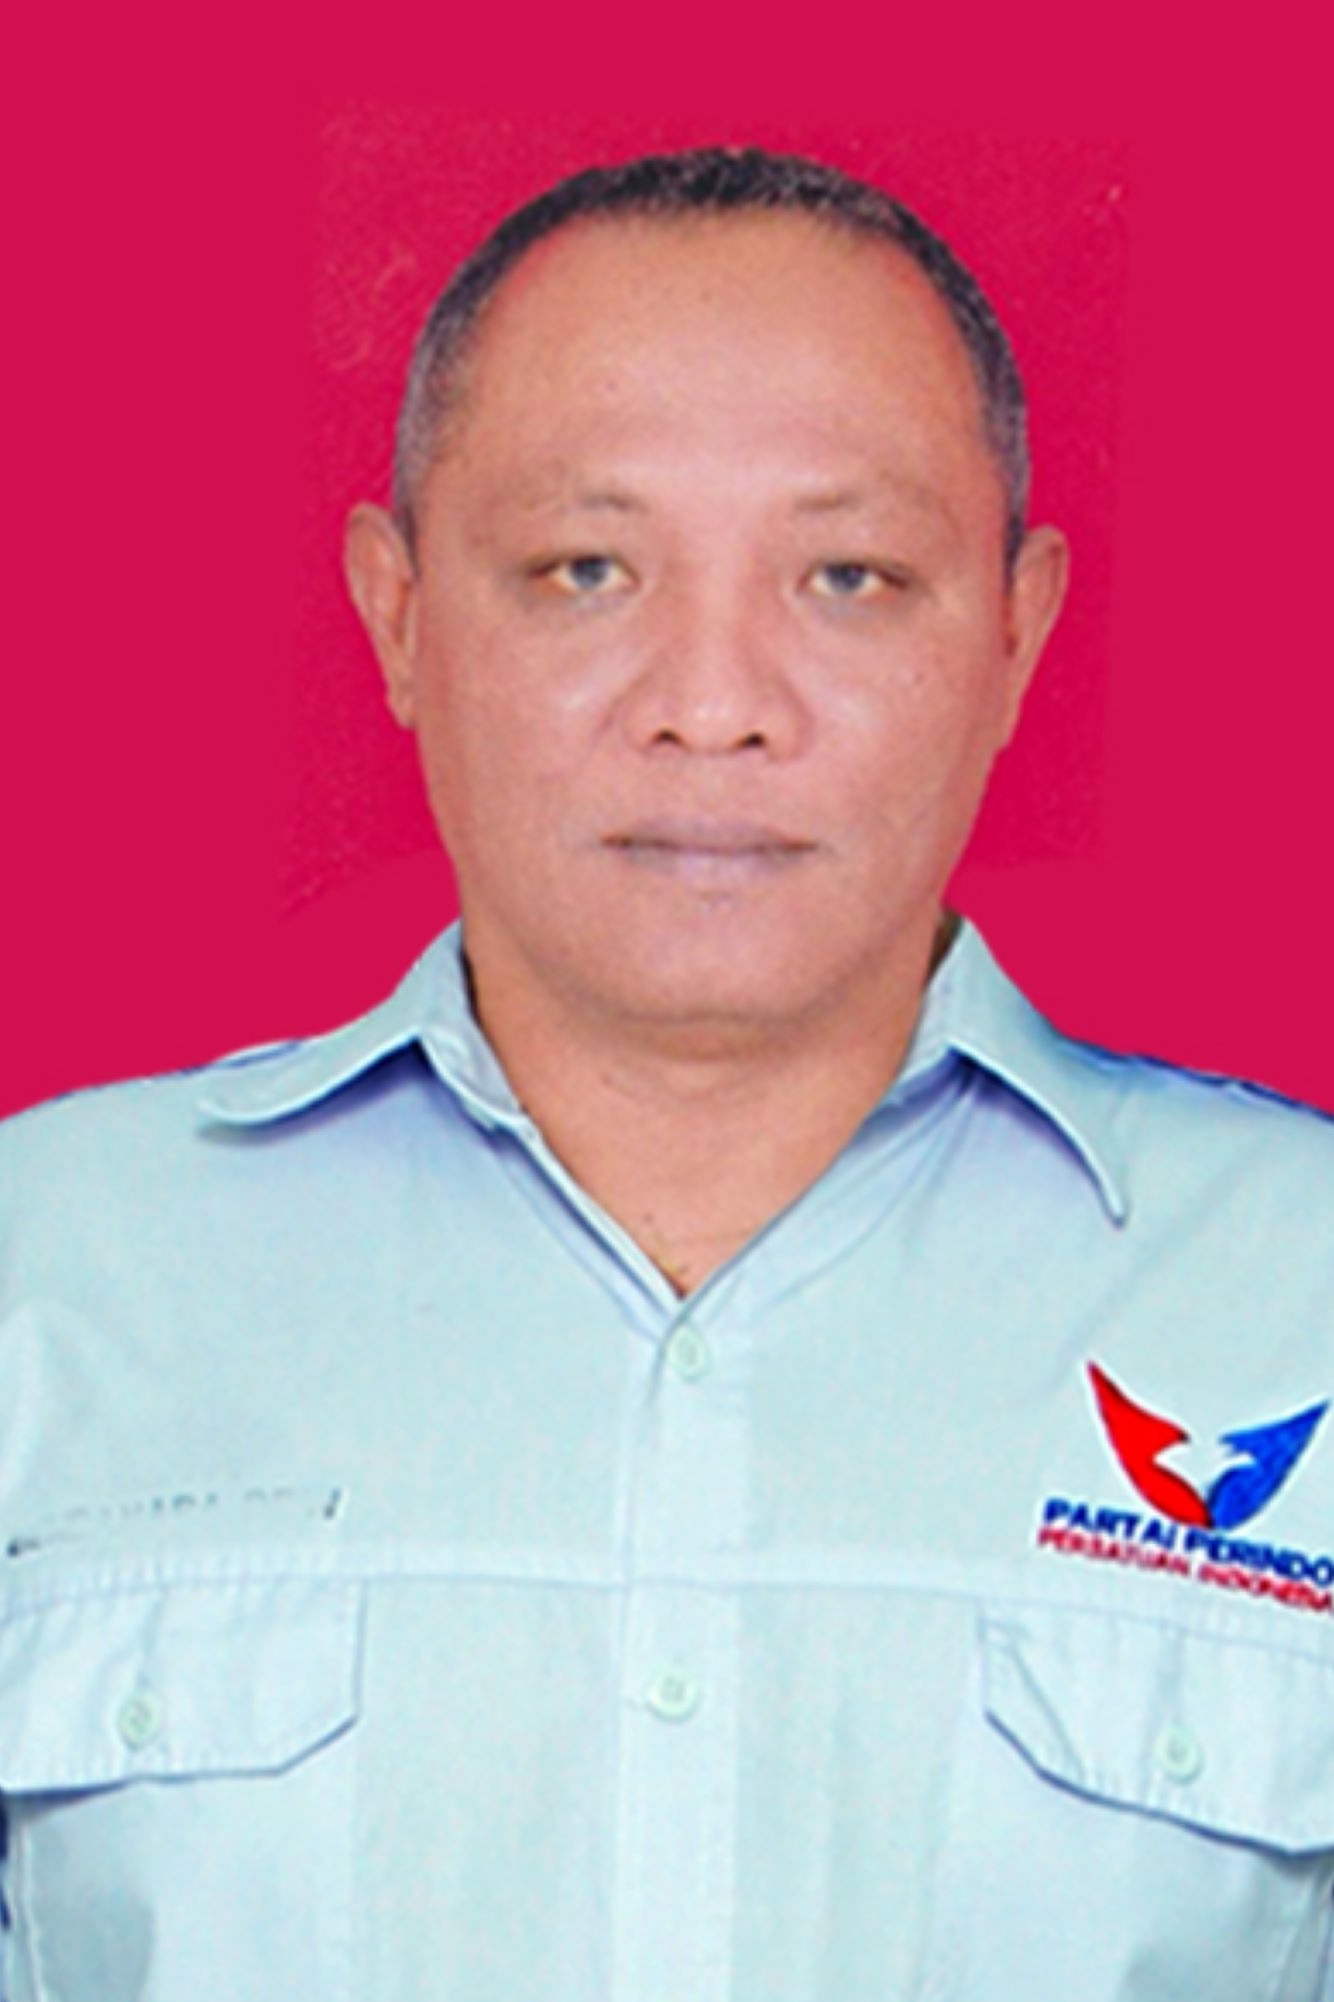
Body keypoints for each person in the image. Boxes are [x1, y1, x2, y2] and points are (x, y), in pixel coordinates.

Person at [0, 146, 1331, 2002]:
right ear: (397, 613)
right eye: (584, 570)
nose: (711, 705)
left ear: (1014, 633)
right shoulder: (48, 1273)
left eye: (850, 576)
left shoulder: (1297, 1294)